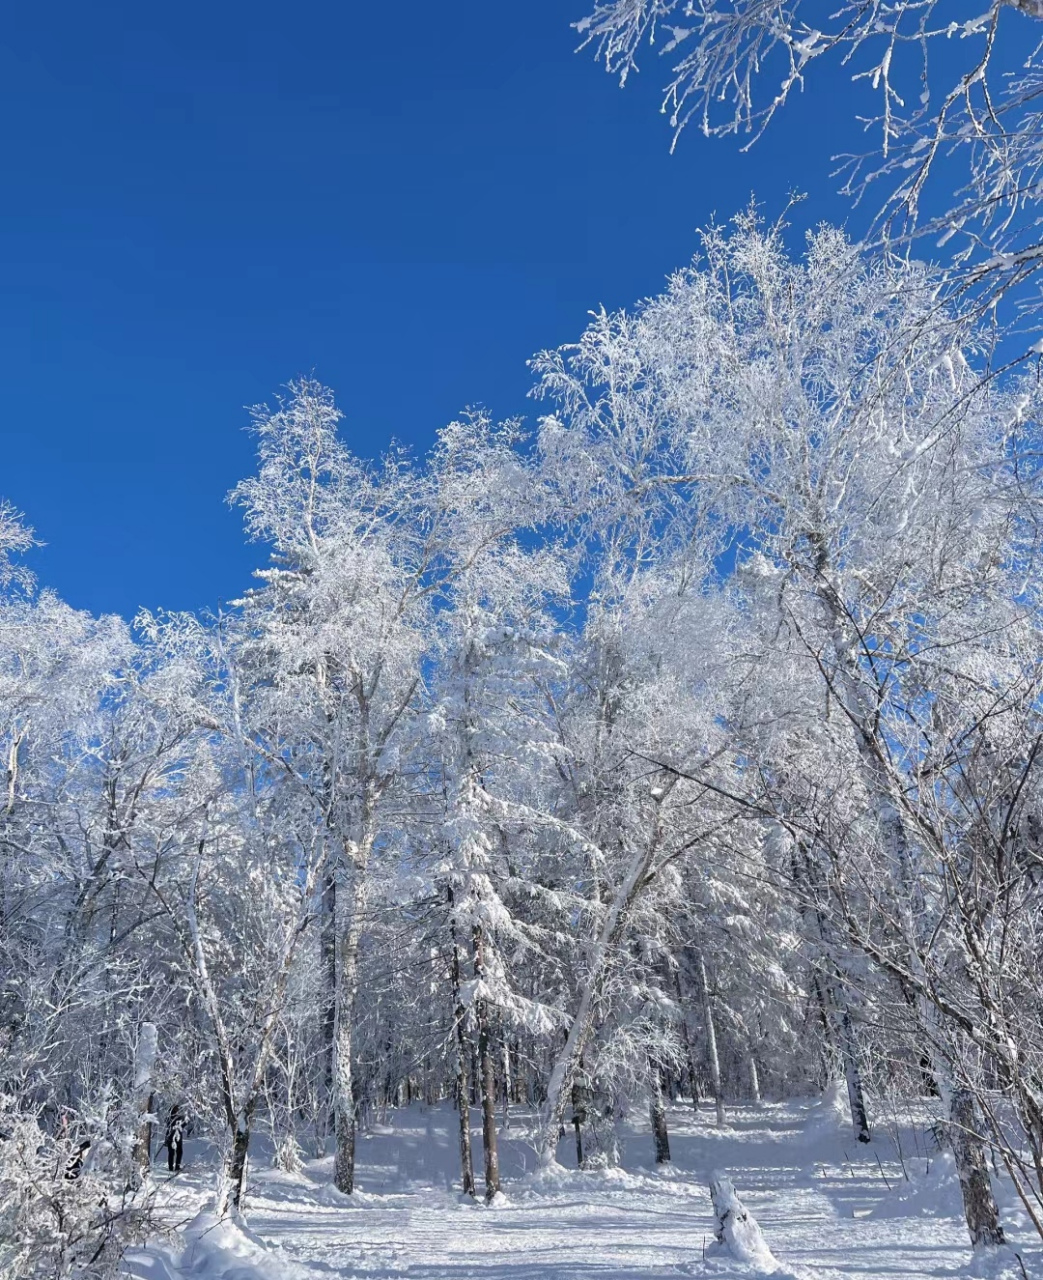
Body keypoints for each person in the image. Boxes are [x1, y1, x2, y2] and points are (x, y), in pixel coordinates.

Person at [164, 1104, 186, 1173]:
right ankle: (177, 1166)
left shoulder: (169, 1118)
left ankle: (171, 1167)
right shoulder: (179, 1118)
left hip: (170, 1137)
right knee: (178, 1152)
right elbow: (183, 1125)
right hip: (176, 1138)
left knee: (171, 1153)